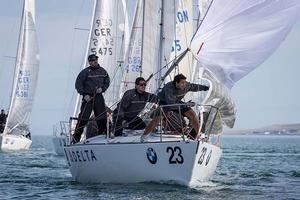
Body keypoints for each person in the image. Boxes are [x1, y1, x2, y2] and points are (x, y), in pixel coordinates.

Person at [141, 73, 209, 141]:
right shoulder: (169, 87)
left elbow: (194, 87)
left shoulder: (186, 85)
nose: (184, 84)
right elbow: (171, 104)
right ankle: (144, 136)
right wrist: (186, 104)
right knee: (158, 118)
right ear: (176, 83)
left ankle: (197, 136)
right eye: (182, 83)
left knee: (192, 115)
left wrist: (205, 88)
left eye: (185, 82)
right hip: (165, 102)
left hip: (177, 101)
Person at [72, 54, 110, 143]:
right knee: (83, 118)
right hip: (88, 97)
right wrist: (84, 94)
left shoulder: (103, 71)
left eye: (95, 59)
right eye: (92, 60)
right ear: (89, 62)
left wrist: (103, 89)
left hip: (98, 97)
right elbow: (78, 84)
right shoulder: (85, 72)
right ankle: (75, 139)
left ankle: (102, 136)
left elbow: (107, 81)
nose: (94, 61)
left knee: (101, 117)